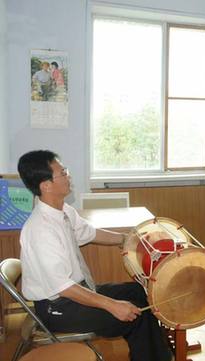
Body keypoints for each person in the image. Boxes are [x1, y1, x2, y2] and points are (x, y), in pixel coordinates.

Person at [17, 150, 173, 361]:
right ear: (46, 185)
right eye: (63, 173)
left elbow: (89, 232)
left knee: (138, 291)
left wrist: (127, 239)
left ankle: (158, 352)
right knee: (137, 316)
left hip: (77, 292)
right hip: (59, 308)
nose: (68, 176)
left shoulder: (63, 211)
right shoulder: (40, 229)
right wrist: (113, 305)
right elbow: (64, 288)